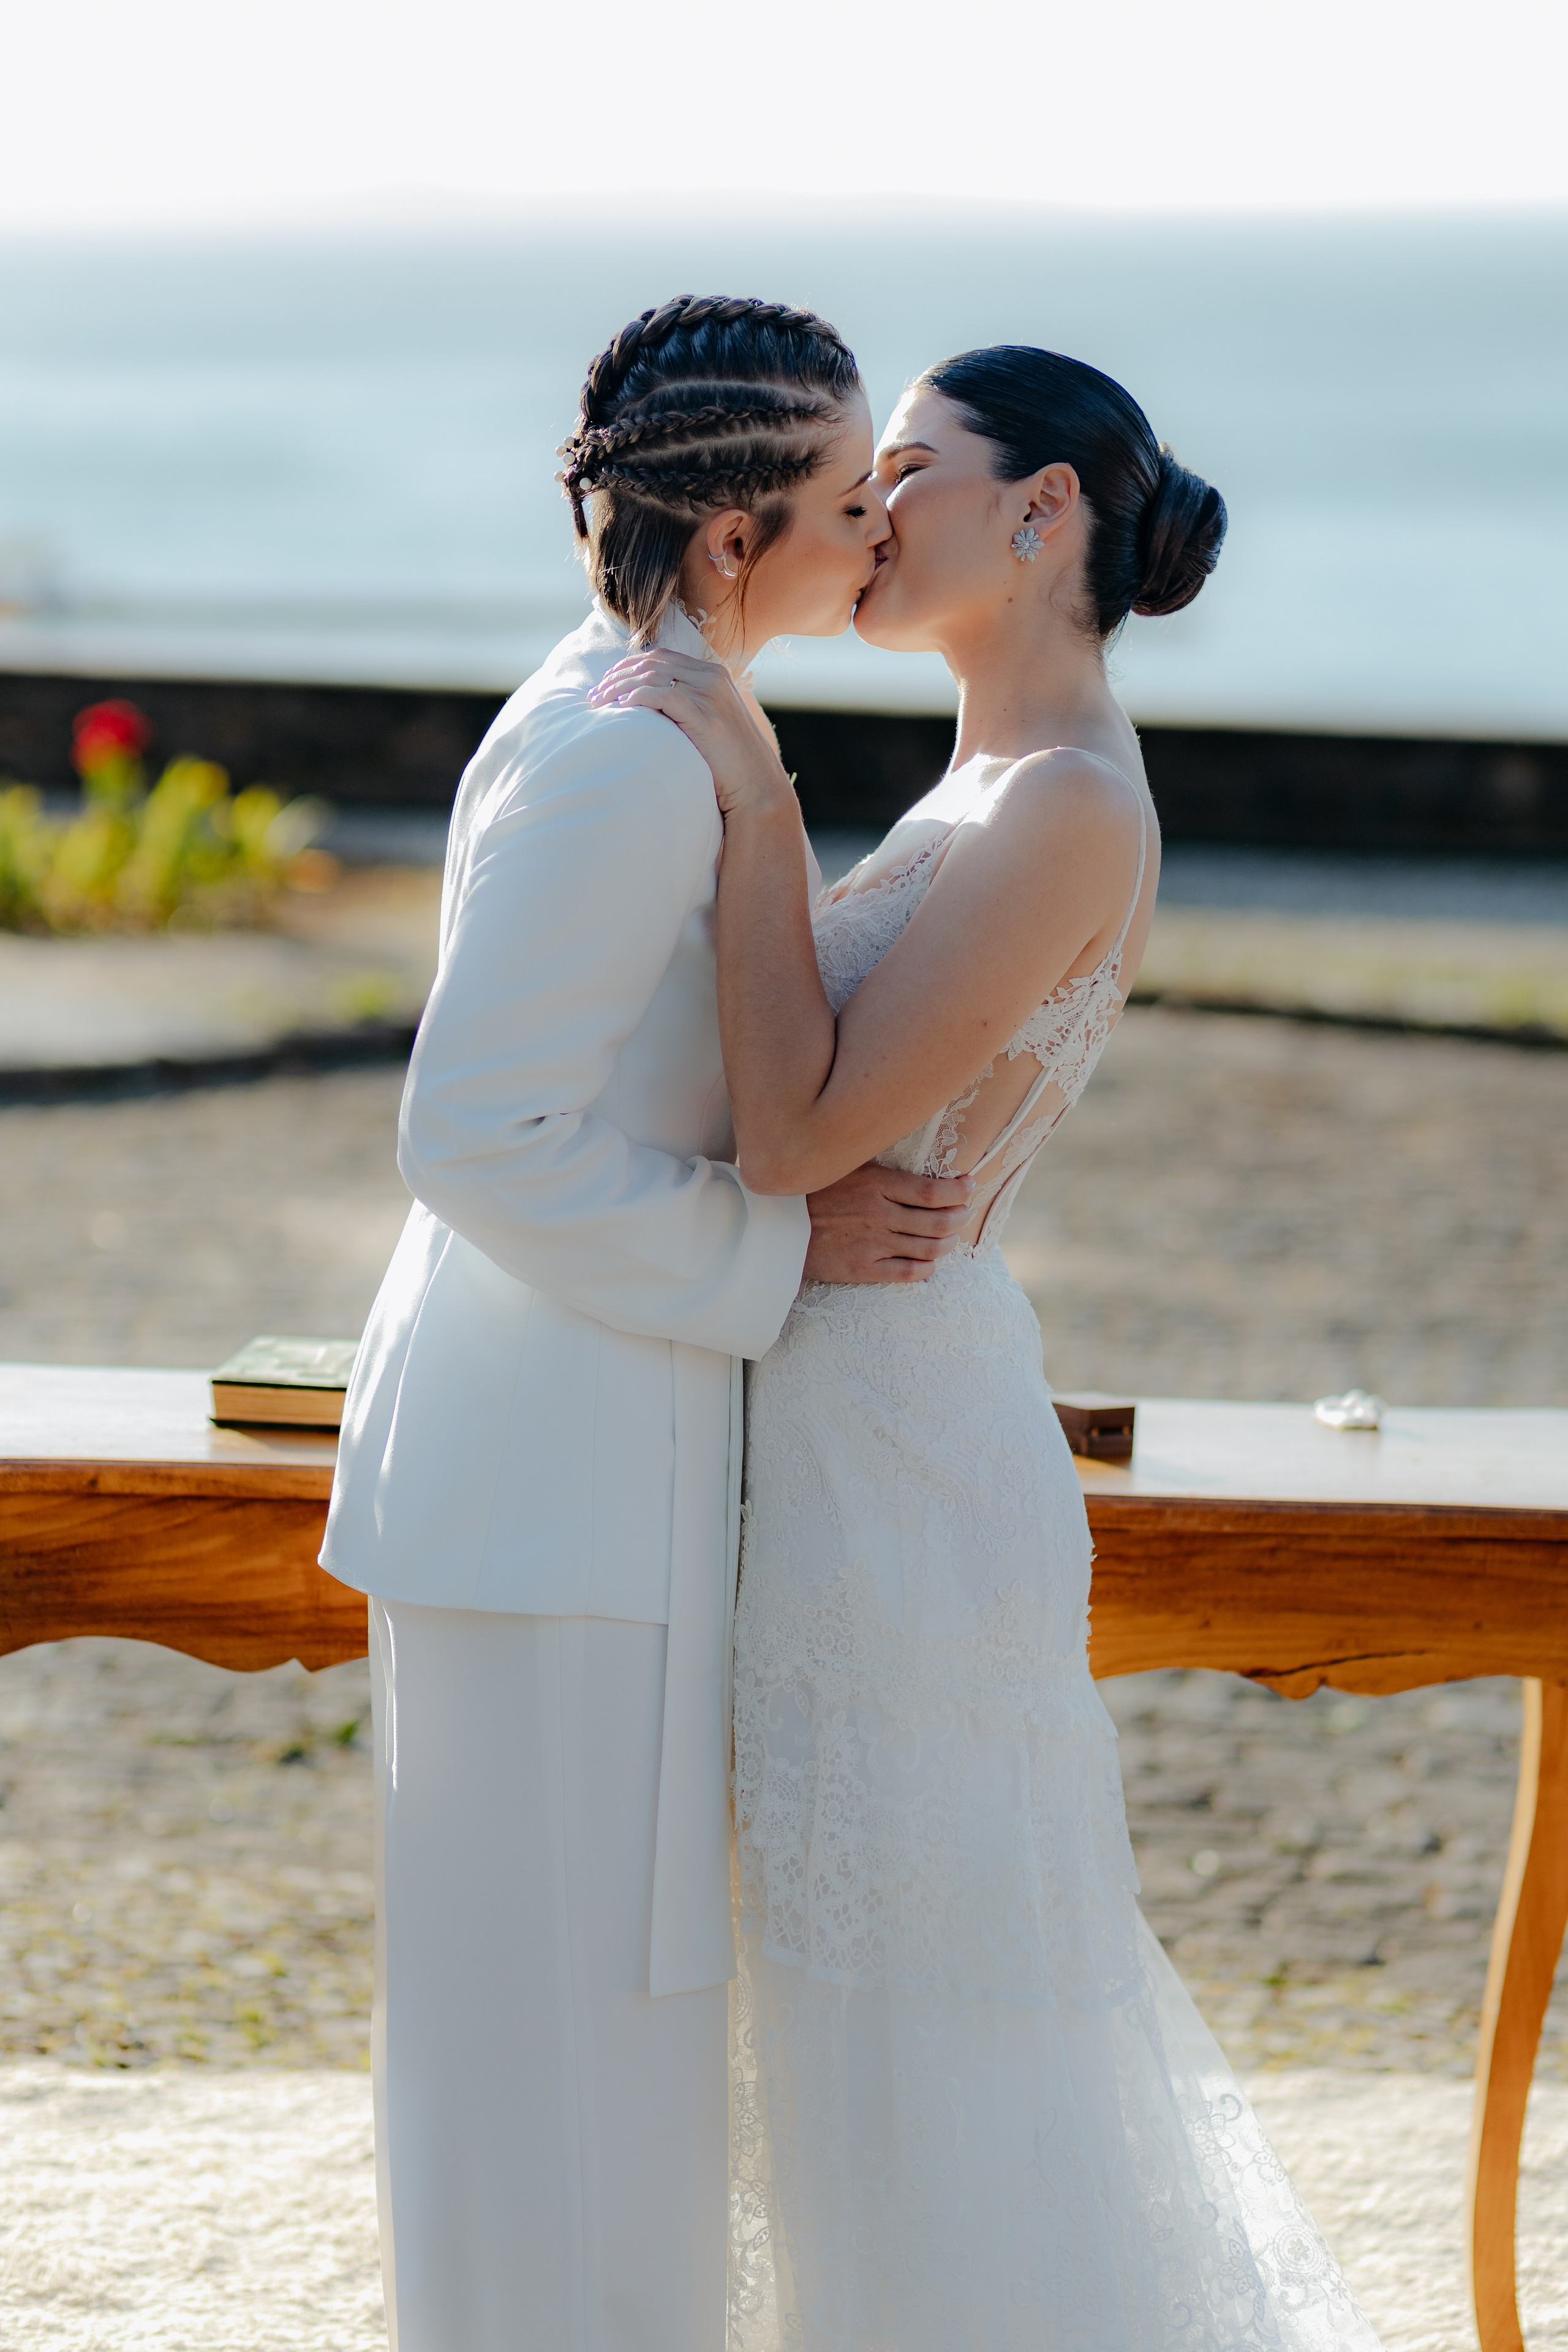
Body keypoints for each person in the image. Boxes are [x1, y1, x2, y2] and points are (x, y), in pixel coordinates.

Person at [594, 347, 1385, 2348]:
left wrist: (747, 781)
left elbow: (795, 1131)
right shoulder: (982, 784)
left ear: (1042, 517)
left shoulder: (1063, 810)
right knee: (846, 2017)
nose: (867, 512)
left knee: (920, 2029)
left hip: (904, 1469)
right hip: (841, 1419)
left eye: (912, 473)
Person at [320, 294, 973, 2352]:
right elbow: (476, 1134)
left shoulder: (652, 714)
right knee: (555, 2069)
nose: (878, 528)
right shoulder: (629, 758)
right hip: (549, 1503)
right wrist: (779, 1259)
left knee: (571, 2058)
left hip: (566, 1490)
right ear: (727, 540)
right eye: (849, 497)